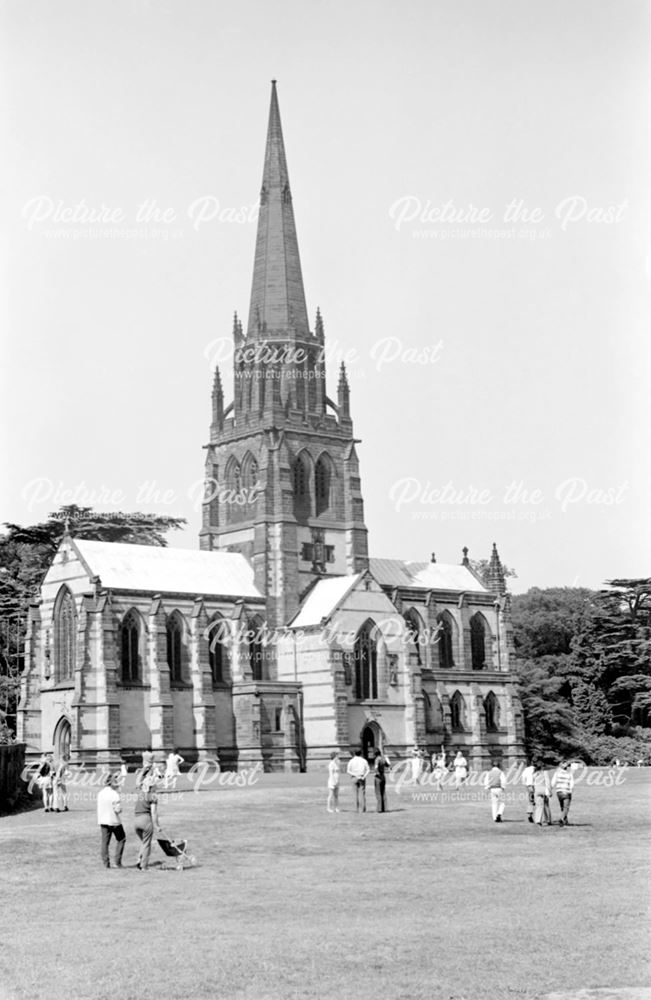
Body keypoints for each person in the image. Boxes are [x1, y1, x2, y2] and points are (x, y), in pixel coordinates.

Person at [97, 772, 126, 869]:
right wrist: (120, 809)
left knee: (105, 842)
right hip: (114, 820)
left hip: (103, 820)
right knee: (121, 839)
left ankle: (106, 863)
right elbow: (117, 809)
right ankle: (117, 862)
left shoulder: (100, 793)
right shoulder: (114, 794)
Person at [134, 775, 161, 870]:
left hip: (136, 821)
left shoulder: (140, 794)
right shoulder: (152, 796)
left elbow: (138, 780)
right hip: (146, 821)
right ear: (152, 786)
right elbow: (153, 812)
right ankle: (144, 866)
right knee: (147, 844)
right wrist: (157, 825)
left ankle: (139, 860)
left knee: (144, 842)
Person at [552, 761, 574, 826]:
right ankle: (561, 819)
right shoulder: (569, 774)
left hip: (559, 792)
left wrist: (550, 789)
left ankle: (565, 821)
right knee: (566, 807)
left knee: (562, 807)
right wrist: (571, 790)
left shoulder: (557, 773)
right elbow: (572, 784)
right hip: (566, 791)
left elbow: (553, 782)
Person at [532, 761, 552, 826]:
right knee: (546, 805)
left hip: (536, 789)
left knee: (539, 806)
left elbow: (532, 782)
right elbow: (547, 782)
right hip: (543, 789)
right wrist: (550, 791)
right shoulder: (544, 772)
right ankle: (548, 819)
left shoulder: (534, 773)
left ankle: (538, 820)